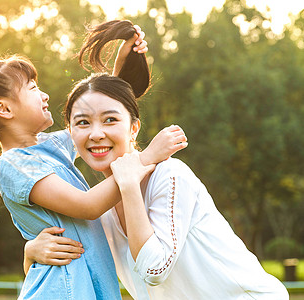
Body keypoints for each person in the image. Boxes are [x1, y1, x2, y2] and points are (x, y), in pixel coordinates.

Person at [0, 20, 187, 299]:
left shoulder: (49, 145)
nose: (45, 94)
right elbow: (87, 206)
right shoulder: (13, 165)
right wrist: (146, 157)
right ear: (4, 109)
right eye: (33, 88)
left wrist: (123, 61)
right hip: (62, 290)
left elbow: (96, 120)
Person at [25, 70, 289, 299]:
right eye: (83, 122)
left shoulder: (171, 176)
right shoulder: (96, 207)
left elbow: (154, 270)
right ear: (71, 134)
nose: (96, 133)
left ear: (134, 128)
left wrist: (129, 184)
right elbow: (73, 272)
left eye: (110, 120)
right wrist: (30, 253)